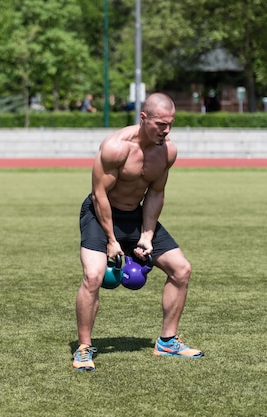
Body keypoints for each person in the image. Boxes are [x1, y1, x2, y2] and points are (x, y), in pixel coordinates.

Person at [73, 92, 203, 371]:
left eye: (170, 124)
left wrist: (146, 234)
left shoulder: (167, 150)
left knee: (181, 269)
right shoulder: (115, 148)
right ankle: (84, 348)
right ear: (143, 119)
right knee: (94, 275)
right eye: (160, 124)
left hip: (136, 214)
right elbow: (99, 196)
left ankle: (167, 342)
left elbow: (156, 193)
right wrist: (111, 240)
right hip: (100, 214)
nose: (166, 130)